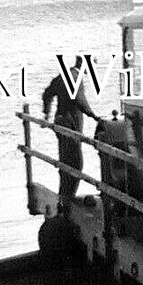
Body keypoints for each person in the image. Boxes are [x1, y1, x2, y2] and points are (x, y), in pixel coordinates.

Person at [41, 56, 98, 212]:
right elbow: (80, 101)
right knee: (76, 162)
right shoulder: (75, 78)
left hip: (60, 122)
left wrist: (47, 114)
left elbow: (47, 94)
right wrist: (94, 116)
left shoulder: (63, 76)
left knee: (65, 161)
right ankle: (67, 199)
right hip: (71, 124)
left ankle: (64, 197)